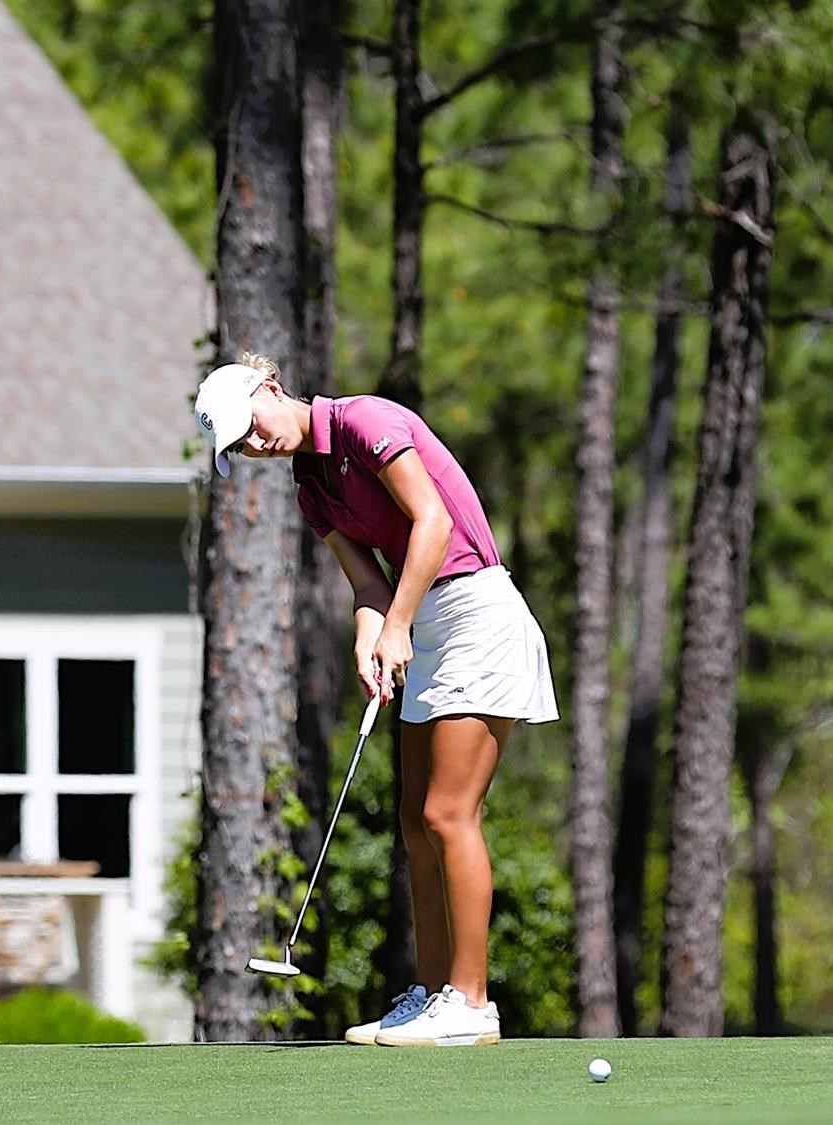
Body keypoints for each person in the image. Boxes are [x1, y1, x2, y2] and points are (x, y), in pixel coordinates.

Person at [193, 354, 559, 1047]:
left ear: (270, 389)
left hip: (476, 613)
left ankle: (473, 1002)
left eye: (251, 424)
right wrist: (372, 637)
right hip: (424, 619)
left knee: (449, 814)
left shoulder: (365, 420)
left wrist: (397, 625)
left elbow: (433, 525)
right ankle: (431, 995)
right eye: (239, 443)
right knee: (415, 823)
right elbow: (367, 583)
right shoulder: (311, 487)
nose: (254, 443)